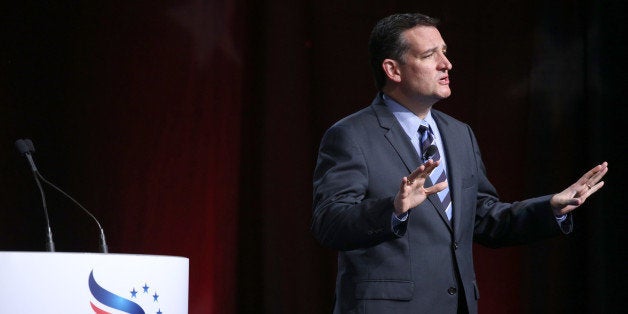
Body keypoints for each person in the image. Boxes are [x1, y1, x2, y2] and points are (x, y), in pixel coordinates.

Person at [310, 12, 608, 314]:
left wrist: (551, 207)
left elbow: (484, 218)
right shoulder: (351, 135)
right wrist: (394, 209)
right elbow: (329, 223)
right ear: (393, 69)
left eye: (445, 52)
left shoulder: (458, 133)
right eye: (430, 55)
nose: (446, 64)